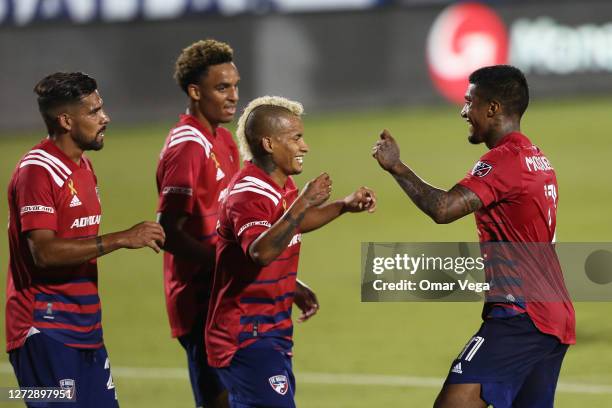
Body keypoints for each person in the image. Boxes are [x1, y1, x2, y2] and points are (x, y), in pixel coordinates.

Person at [372, 65, 575, 408]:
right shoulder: (535, 158)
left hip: (523, 316)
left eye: (470, 102)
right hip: (552, 315)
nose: (463, 111)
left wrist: (397, 167)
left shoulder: (504, 160)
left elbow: (444, 208)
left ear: (492, 108)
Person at [156, 40, 320, 408]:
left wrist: (283, 279)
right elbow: (168, 230)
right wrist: (224, 265)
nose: (233, 96)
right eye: (221, 87)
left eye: (235, 85)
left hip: (232, 293)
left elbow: (248, 223)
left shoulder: (224, 140)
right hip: (202, 298)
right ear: (195, 92)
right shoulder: (188, 146)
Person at [6, 72, 166, 407]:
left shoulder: (83, 167)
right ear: (65, 120)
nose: (105, 118)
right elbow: (44, 253)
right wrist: (122, 238)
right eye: (93, 112)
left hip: (84, 326)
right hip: (42, 331)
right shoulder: (37, 171)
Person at [206, 96, 376, 408]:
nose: (304, 146)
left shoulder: (278, 185)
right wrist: (304, 202)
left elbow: (290, 225)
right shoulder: (248, 193)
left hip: (270, 329)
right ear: (269, 144)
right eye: (296, 138)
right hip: (246, 335)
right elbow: (261, 251)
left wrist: (343, 205)